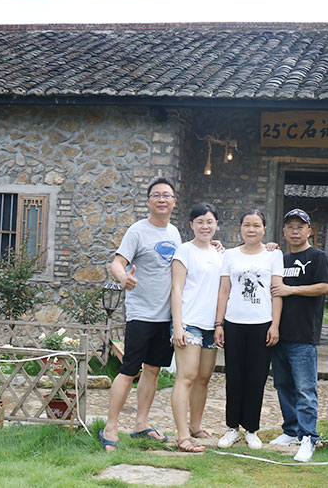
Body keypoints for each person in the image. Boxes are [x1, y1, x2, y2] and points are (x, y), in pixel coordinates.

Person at [98, 177, 181, 452]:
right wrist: (124, 278)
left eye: (166, 195)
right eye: (156, 195)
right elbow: (117, 263)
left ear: (174, 202)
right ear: (148, 201)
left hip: (165, 316)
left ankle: (140, 424)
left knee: (153, 369)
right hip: (141, 314)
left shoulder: (175, 233)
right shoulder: (137, 231)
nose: (161, 199)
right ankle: (110, 427)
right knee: (129, 369)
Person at [215, 209, 284, 450]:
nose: (251, 229)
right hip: (233, 323)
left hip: (262, 324)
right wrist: (219, 324)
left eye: (256, 225)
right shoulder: (230, 255)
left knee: (256, 378)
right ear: (240, 228)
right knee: (233, 377)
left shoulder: (274, 255)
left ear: (264, 229)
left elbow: (276, 292)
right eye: (247, 225)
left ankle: (251, 429)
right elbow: (224, 291)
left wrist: (275, 325)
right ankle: (232, 428)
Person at [269, 209, 328, 462]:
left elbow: (325, 287)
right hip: (278, 334)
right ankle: (291, 430)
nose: (295, 231)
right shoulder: (280, 259)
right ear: (284, 232)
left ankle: (308, 437)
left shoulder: (317, 256)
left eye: (300, 227)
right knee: (283, 385)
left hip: (304, 335)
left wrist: (291, 290)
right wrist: (267, 249)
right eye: (290, 227)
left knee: (305, 389)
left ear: (309, 231)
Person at [169, 203, 222, 453]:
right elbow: (176, 289)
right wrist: (178, 326)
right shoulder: (184, 251)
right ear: (191, 224)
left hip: (211, 325)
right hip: (189, 323)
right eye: (200, 221)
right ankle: (182, 437)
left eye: (209, 221)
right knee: (186, 377)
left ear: (216, 225)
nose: (205, 226)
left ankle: (196, 427)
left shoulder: (219, 253)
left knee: (203, 378)